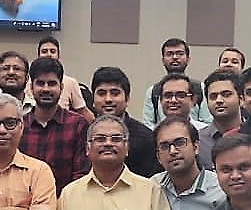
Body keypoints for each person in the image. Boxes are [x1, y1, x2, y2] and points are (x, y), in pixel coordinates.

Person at [20, 57, 89, 194]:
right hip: (25, 203)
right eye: (40, 83)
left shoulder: (78, 125)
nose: (46, 89)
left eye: (52, 84)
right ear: (31, 87)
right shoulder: (19, 126)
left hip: (66, 202)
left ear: (61, 88)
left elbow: (81, 175)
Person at [91, 66, 160, 177]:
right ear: (93, 100)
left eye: (115, 93)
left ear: (127, 99)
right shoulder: (82, 133)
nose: (108, 99)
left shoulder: (146, 138)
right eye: (102, 93)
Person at [142, 38, 208, 128]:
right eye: (169, 54)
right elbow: (148, 125)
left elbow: (207, 122)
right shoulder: (153, 91)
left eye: (180, 53)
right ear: (163, 60)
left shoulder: (200, 88)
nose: (175, 57)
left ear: (188, 59)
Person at [35, 36, 94, 122]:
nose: (49, 54)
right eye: (44, 51)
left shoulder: (70, 82)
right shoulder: (28, 82)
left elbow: (84, 113)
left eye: (53, 51)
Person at [198, 70, 243, 171]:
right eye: (213, 97)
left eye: (226, 95)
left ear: (241, 98)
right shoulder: (198, 140)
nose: (219, 100)